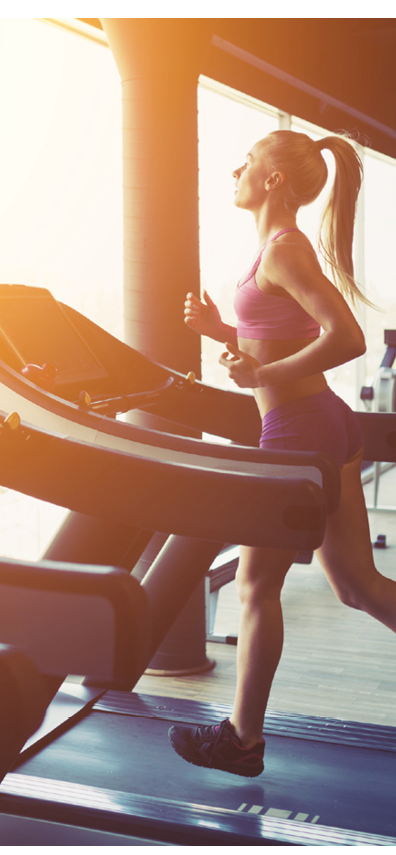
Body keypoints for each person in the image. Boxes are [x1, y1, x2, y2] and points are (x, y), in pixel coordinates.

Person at [168, 129, 396, 778]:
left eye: (248, 163)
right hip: (325, 423)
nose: (235, 169)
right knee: (357, 587)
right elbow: (280, 328)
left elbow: (345, 336)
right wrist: (220, 330)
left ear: (271, 181)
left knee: (252, 586)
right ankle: (241, 735)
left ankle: (240, 740)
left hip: (298, 430)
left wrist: (262, 377)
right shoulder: (274, 249)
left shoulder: (284, 249)